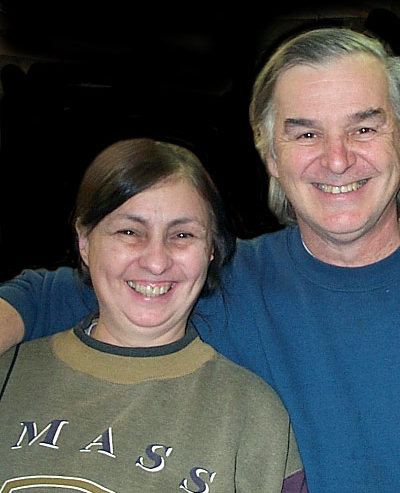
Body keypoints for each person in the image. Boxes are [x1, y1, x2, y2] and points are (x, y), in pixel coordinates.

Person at [1, 27, 400, 492]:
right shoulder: (215, 280)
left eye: (364, 128)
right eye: (306, 134)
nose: (337, 159)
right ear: (270, 155)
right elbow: (48, 297)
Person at [0, 138, 307, 492]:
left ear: (211, 250)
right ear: (84, 242)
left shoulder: (254, 417)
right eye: (130, 232)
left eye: (182, 235)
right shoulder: (10, 371)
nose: (157, 262)